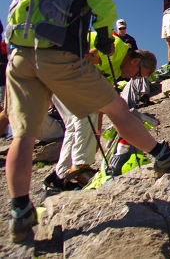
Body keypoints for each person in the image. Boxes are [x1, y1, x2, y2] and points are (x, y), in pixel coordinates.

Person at [5, 0, 170, 243]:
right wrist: (106, 37)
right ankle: (162, 155)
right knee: (116, 107)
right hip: (59, 55)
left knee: (24, 135)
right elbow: (104, 10)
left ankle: (20, 210)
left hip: (20, 56)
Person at [44, 32, 157, 192]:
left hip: (55, 72)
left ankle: (61, 176)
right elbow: (85, 58)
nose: (133, 79)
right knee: (85, 112)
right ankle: (79, 168)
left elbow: (99, 108)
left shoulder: (116, 72)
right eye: (137, 75)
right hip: (61, 65)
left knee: (73, 125)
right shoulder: (116, 48)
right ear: (135, 61)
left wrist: (95, 137)